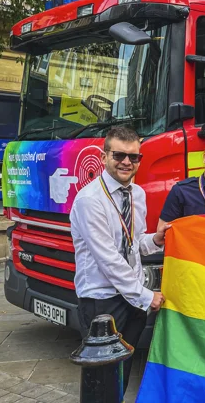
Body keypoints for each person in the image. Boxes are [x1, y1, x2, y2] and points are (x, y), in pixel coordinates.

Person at [70, 127, 168, 392]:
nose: (127, 162)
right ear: (104, 157)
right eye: (119, 155)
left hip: (131, 299)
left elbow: (133, 245)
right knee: (101, 379)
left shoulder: (137, 194)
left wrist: (154, 240)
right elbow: (108, 260)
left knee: (121, 374)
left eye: (134, 157)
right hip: (102, 301)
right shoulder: (89, 200)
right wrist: (146, 296)